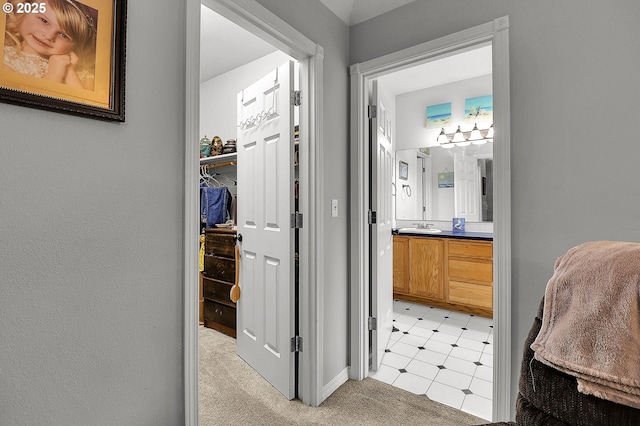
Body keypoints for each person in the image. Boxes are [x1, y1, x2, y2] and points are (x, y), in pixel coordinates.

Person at [3, 0, 97, 90]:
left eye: (63, 35)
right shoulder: (5, 58)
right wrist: (54, 74)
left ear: (75, 46)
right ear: (24, 13)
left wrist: (70, 73)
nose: (49, 36)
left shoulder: (83, 74)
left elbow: (84, 103)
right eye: (44, 21)